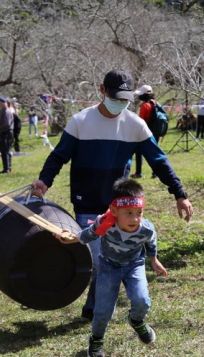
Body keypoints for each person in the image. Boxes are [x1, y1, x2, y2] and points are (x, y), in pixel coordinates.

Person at [32, 68, 193, 321]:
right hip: (87, 200)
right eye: (115, 97)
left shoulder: (135, 125)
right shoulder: (80, 121)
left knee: (109, 257)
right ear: (102, 90)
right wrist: (44, 181)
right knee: (98, 259)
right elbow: (58, 156)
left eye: (124, 99)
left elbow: (159, 161)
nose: (120, 103)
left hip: (120, 204)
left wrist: (179, 193)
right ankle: (95, 306)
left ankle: (93, 308)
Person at [55, 178, 165, 357]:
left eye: (139, 212)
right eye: (128, 213)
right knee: (103, 310)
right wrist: (71, 238)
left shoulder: (146, 229)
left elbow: (151, 241)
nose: (135, 218)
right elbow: (88, 234)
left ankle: (136, 320)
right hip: (108, 266)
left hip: (133, 266)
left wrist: (154, 259)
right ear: (114, 210)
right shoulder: (105, 223)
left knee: (142, 300)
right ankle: (96, 338)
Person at [131, 84, 157, 178]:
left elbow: (141, 121)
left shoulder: (145, 106)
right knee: (154, 153)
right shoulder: (155, 103)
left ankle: (138, 173)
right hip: (155, 131)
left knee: (138, 152)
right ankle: (155, 173)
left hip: (145, 132)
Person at [0, 97, 15, 174]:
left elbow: (7, 124)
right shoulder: (4, 111)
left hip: (7, 132)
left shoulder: (7, 112)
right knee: (6, 150)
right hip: (5, 132)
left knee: (5, 151)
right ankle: (7, 167)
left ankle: (7, 168)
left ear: (3, 103)